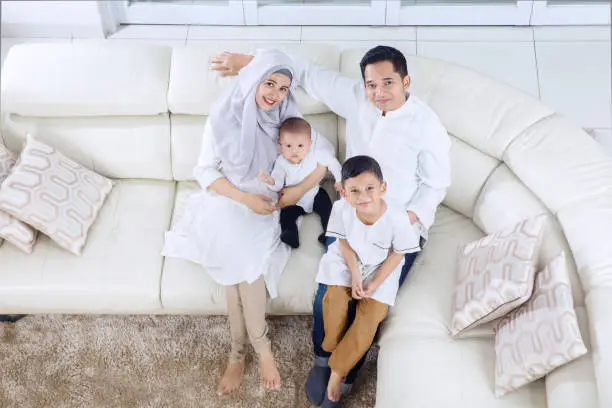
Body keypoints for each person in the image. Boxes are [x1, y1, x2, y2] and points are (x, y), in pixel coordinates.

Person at [211, 45, 451, 407]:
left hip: (397, 226)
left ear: (406, 81)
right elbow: (301, 70)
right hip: (351, 221)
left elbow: (436, 185)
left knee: (369, 303)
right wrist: (249, 63)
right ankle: (323, 359)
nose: (379, 92)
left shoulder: (427, 125)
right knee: (331, 295)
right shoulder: (356, 98)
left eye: (388, 82)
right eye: (371, 84)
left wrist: (407, 219)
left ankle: (346, 372)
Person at [162, 49, 331, 396]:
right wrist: (244, 199)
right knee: (238, 256)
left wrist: (295, 190)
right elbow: (205, 172)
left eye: (284, 88)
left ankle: (239, 353)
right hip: (230, 198)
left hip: (266, 206)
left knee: (242, 263)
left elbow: (324, 160)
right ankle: (260, 349)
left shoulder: (288, 119)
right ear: (254, 80)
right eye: (269, 83)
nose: (276, 94)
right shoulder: (224, 116)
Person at [317, 155, 420, 402]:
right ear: (343, 191)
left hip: (383, 265)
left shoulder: (397, 217)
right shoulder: (342, 209)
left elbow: (398, 254)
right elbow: (343, 241)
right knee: (334, 300)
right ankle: (333, 345)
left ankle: (337, 370)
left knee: (370, 317)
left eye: (370, 189)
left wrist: (373, 283)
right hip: (349, 259)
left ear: (383, 188)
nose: (362, 196)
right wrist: (354, 275)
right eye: (354, 190)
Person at [259, 117, 342, 248]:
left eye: (300, 146)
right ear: (280, 144)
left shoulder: (315, 154)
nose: (294, 151)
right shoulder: (281, 162)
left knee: (327, 207)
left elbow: (332, 162)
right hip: (294, 201)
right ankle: (291, 234)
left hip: (314, 193)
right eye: (288, 146)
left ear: (309, 144)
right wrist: (271, 181)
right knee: (286, 214)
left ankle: (328, 232)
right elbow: (278, 183)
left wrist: (339, 180)